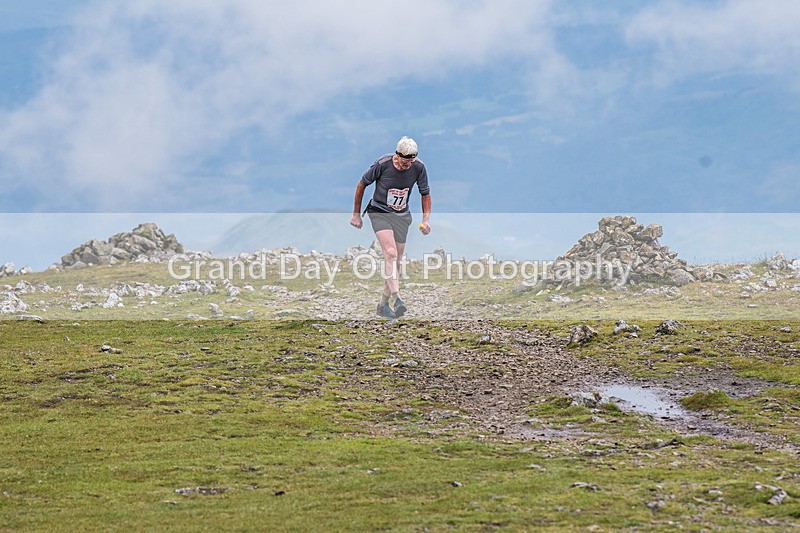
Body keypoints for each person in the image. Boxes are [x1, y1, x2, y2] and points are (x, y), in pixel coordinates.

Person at [350, 136, 431, 319]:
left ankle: (382, 305)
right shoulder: (383, 164)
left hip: (402, 216)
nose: (407, 166)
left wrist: (426, 220)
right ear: (397, 155)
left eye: (410, 162)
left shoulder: (419, 167)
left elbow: (425, 193)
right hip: (379, 212)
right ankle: (397, 298)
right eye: (404, 162)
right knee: (390, 253)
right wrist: (356, 214)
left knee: (397, 261)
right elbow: (362, 184)